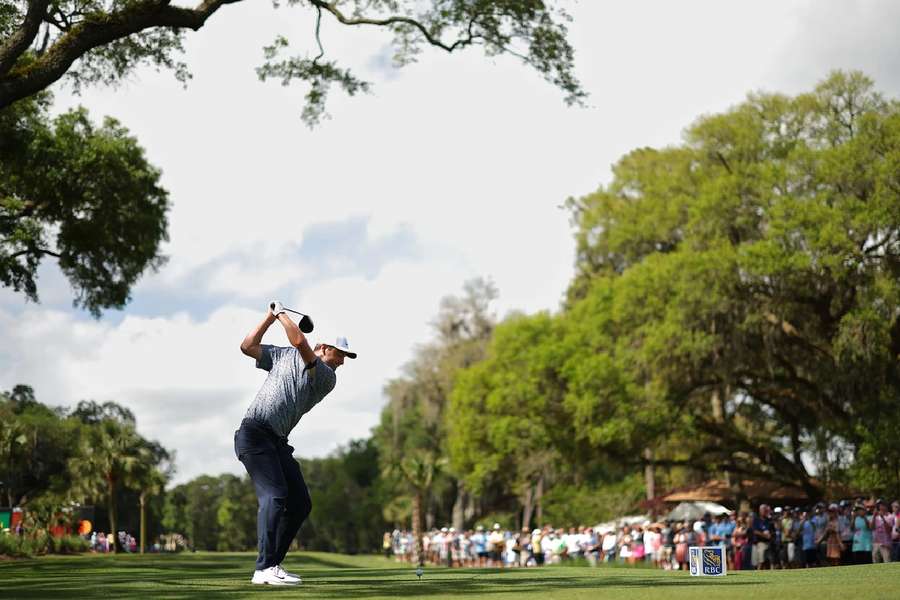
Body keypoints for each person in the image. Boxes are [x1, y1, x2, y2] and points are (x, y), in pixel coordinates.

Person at [235, 300, 356, 585]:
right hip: (253, 433)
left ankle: (271, 564)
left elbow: (301, 342)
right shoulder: (282, 355)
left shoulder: (326, 378)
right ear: (324, 347)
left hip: (276, 441)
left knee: (300, 502)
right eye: (340, 354)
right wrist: (269, 317)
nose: (342, 361)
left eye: (346, 357)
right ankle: (263, 569)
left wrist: (281, 314)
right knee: (276, 495)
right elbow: (247, 346)